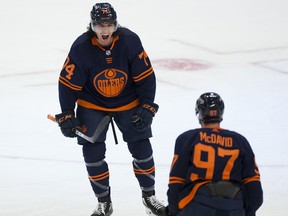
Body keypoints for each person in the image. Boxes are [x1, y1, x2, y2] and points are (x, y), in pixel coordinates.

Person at [54, 2, 166, 216]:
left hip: (128, 101)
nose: (104, 30)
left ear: (115, 25)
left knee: (142, 147)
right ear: (92, 25)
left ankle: (149, 197)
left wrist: (148, 105)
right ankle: (104, 202)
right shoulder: (80, 48)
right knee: (92, 152)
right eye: (99, 25)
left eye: (109, 25)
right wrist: (67, 113)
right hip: (92, 103)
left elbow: (145, 77)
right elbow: (67, 84)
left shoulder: (130, 41)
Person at [166, 92, 263, 216]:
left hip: (197, 205)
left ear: (199, 114)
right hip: (234, 207)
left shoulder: (187, 139)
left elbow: (176, 181)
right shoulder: (240, 141)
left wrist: (174, 212)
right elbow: (254, 188)